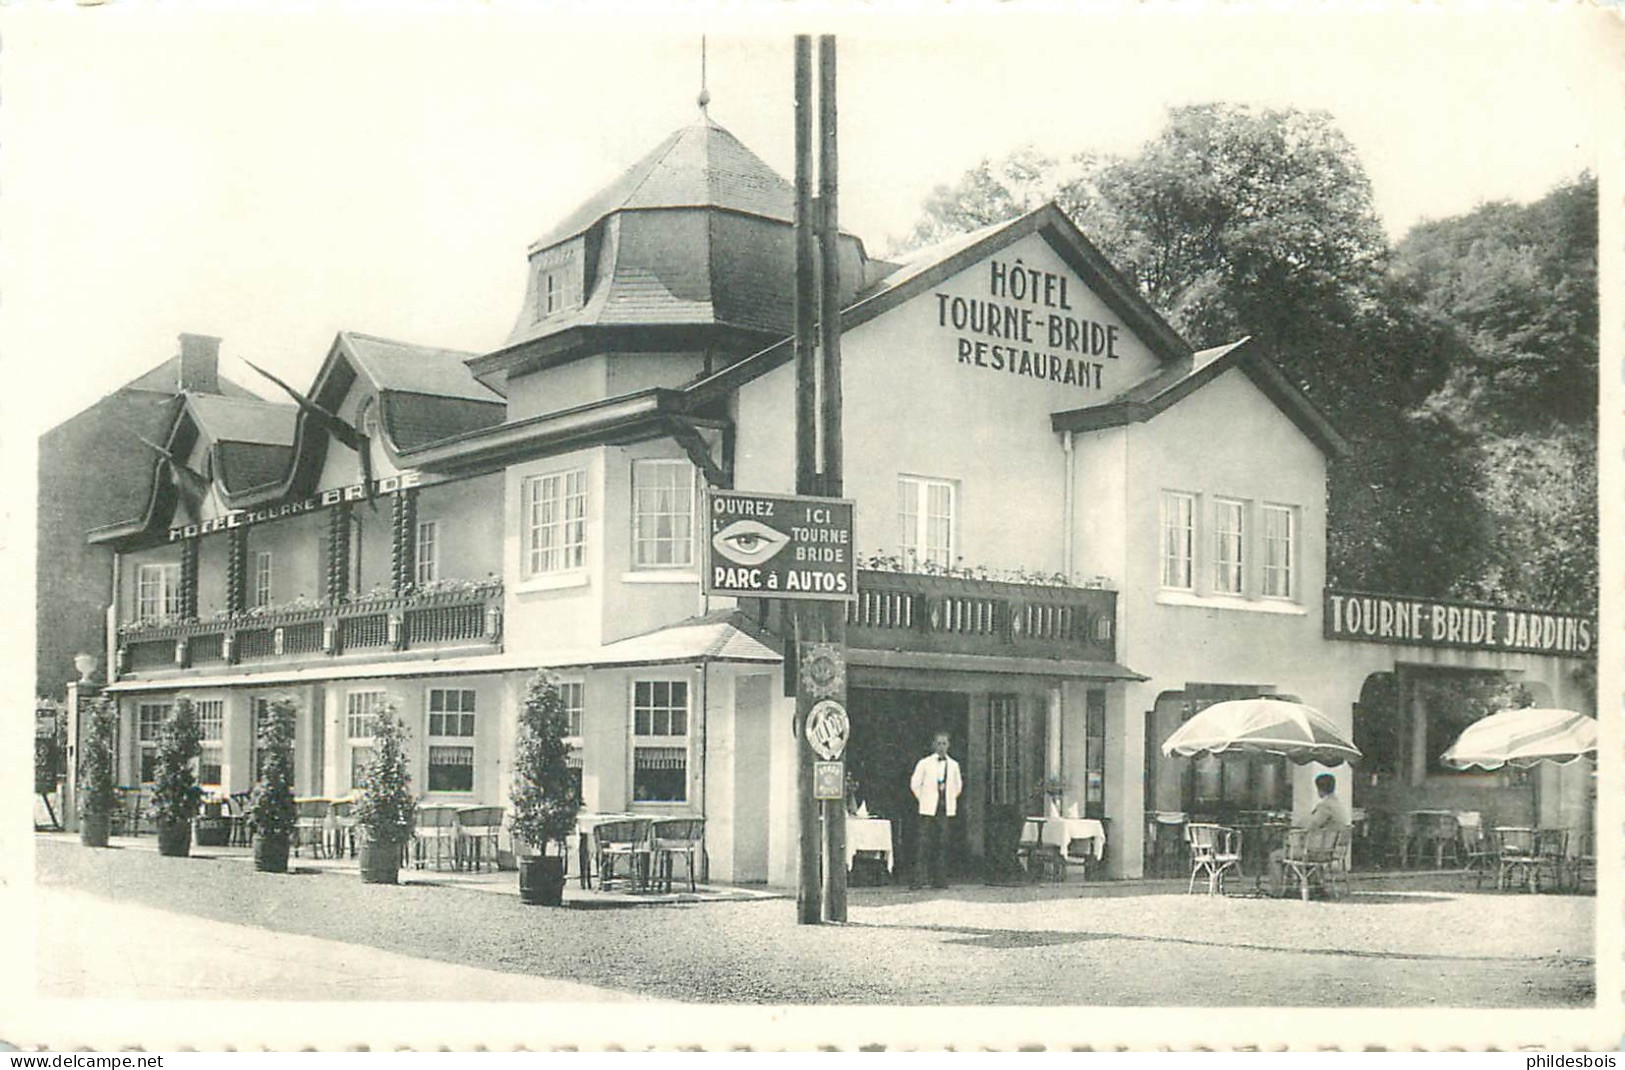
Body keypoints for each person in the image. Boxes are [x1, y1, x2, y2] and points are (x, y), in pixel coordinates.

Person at [1269, 772, 1346, 897]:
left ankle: (1278, 891)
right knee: (1302, 847)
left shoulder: (1325, 806)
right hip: (1330, 850)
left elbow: (1311, 825)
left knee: (1275, 856)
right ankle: (1314, 885)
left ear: (1319, 789)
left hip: (1318, 852)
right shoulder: (1337, 804)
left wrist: (1296, 823)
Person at [909, 731, 963, 889]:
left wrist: (947, 798)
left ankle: (939, 880)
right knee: (923, 844)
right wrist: (924, 799)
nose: (941, 747)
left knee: (942, 844)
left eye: (944, 743)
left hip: (944, 810)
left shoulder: (954, 765)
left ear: (948, 745)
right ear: (933, 745)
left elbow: (958, 786)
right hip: (927, 810)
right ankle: (919, 879)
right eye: (938, 743)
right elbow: (915, 784)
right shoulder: (924, 763)